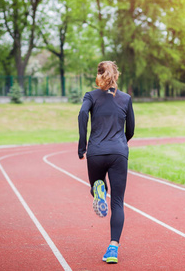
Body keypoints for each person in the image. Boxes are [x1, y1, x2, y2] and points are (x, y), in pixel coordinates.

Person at [78, 61, 135, 264]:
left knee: (95, 188)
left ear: (99, 75)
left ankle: (99, 190)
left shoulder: (91, 96)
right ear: (116, 76)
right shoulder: (126, 99)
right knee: (117, 203)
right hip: (118, 153)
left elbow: (83, 114)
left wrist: (82, 145)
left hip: (96, 152)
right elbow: (131, 130)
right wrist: (120, 143)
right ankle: (113, 247)